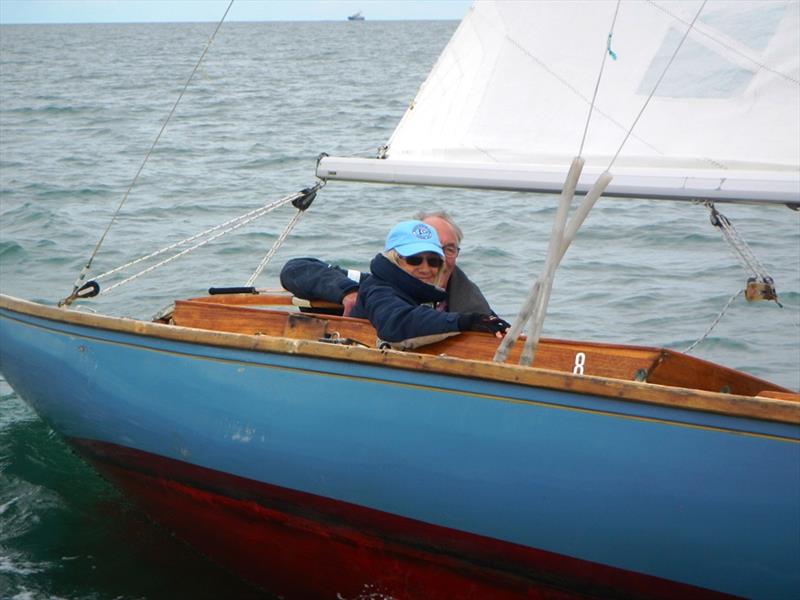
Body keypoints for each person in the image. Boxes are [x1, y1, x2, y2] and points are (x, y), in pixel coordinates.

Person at [280, 210, 492, 316]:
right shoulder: (373, 286)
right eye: (419, 254)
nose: (439, 260)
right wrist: (348, 293)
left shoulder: (475, 308)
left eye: (449, 249)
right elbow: (297, 269)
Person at [347, 220, 509, 349]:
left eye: (433, 261)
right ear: (394, 259)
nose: (425, 268)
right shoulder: (378, 289)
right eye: (414, 259)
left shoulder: (427, 295)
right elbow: (396, 324)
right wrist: (466, 321)